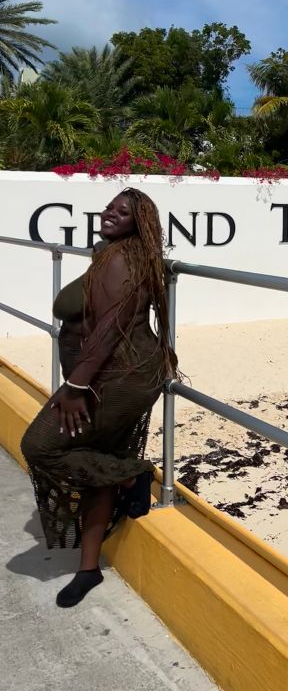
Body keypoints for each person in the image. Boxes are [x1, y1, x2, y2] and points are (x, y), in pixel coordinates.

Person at [21, 188, 179, 608]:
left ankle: (131, 475)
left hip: (115, 377)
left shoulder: (124, 260)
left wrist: (76, 386)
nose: (110, 214)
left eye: (122, 212)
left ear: (138, 222)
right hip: (107, 374)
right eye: (109, 207)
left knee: (39, 446)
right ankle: (88, 568)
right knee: (92, 456)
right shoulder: (113, 253)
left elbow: (110, 327)